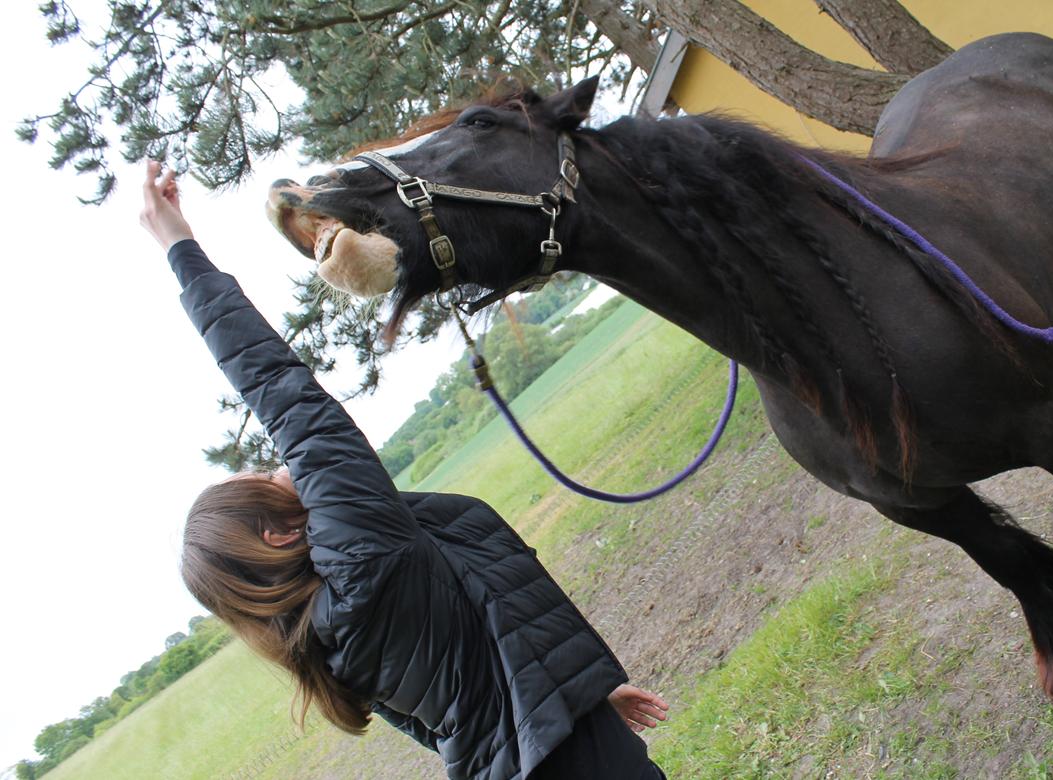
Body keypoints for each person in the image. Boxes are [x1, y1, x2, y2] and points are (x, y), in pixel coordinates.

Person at [139, 160, 669, 780]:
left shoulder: (334, 632)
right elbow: (283, 395)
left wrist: (586, 705)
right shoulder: (363, 563)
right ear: (277, 534)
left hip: (562, 752)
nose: (280, 466)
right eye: (262, 480)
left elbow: (476, 688)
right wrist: (178, 246)